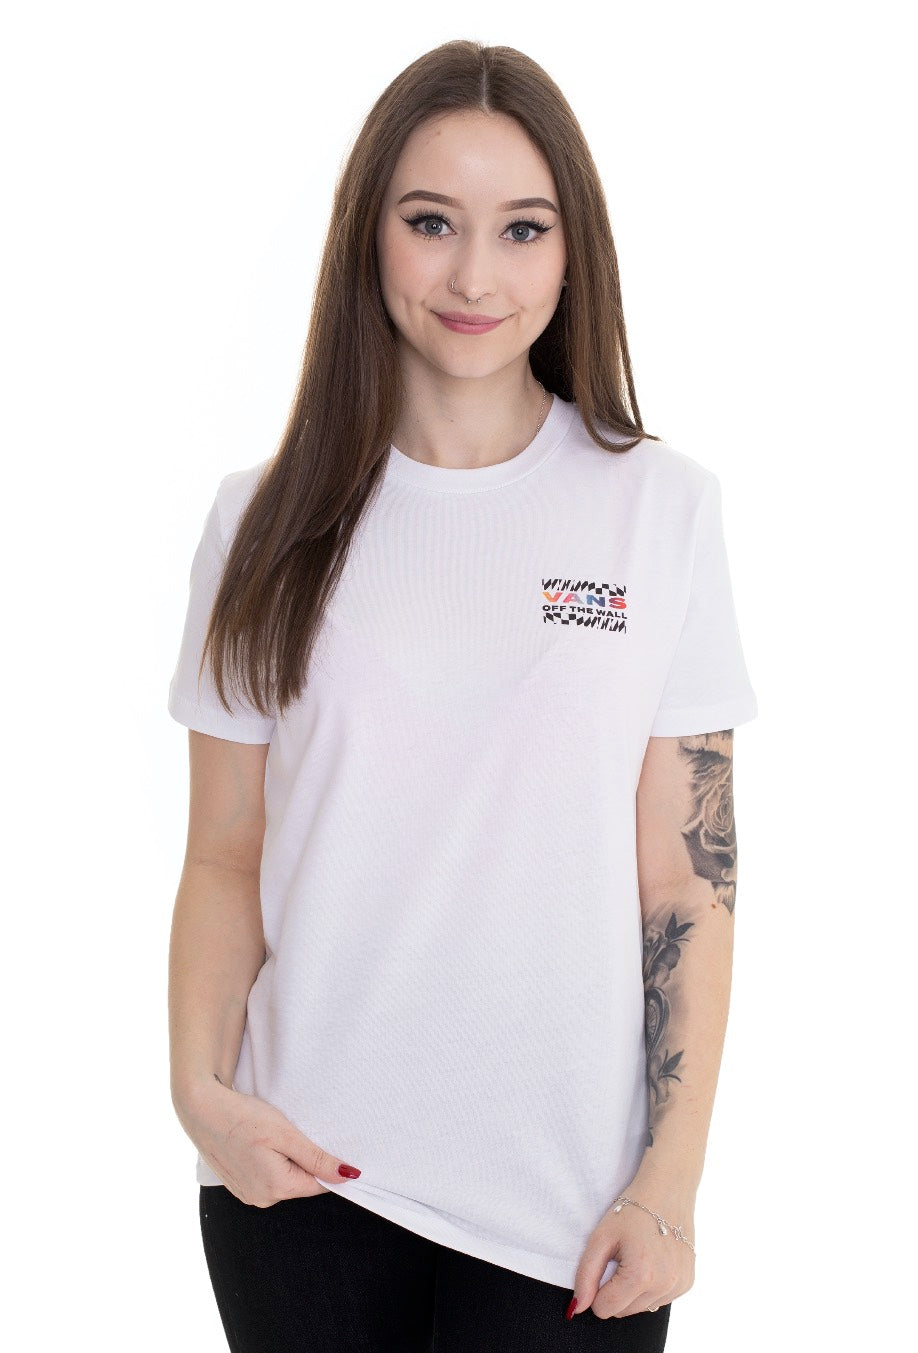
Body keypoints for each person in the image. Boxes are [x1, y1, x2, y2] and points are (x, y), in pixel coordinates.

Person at [167, 38, 757, 1353]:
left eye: (522, 229)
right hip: (298, 1177)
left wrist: (669, 1183)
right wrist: (202, 1096)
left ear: (571, 250)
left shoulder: (658, 510)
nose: (475, 276)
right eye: (431, 222)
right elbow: (223, 855)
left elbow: (689, 882)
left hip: (574, 1213)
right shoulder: (259, 523)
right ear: (367, 237)